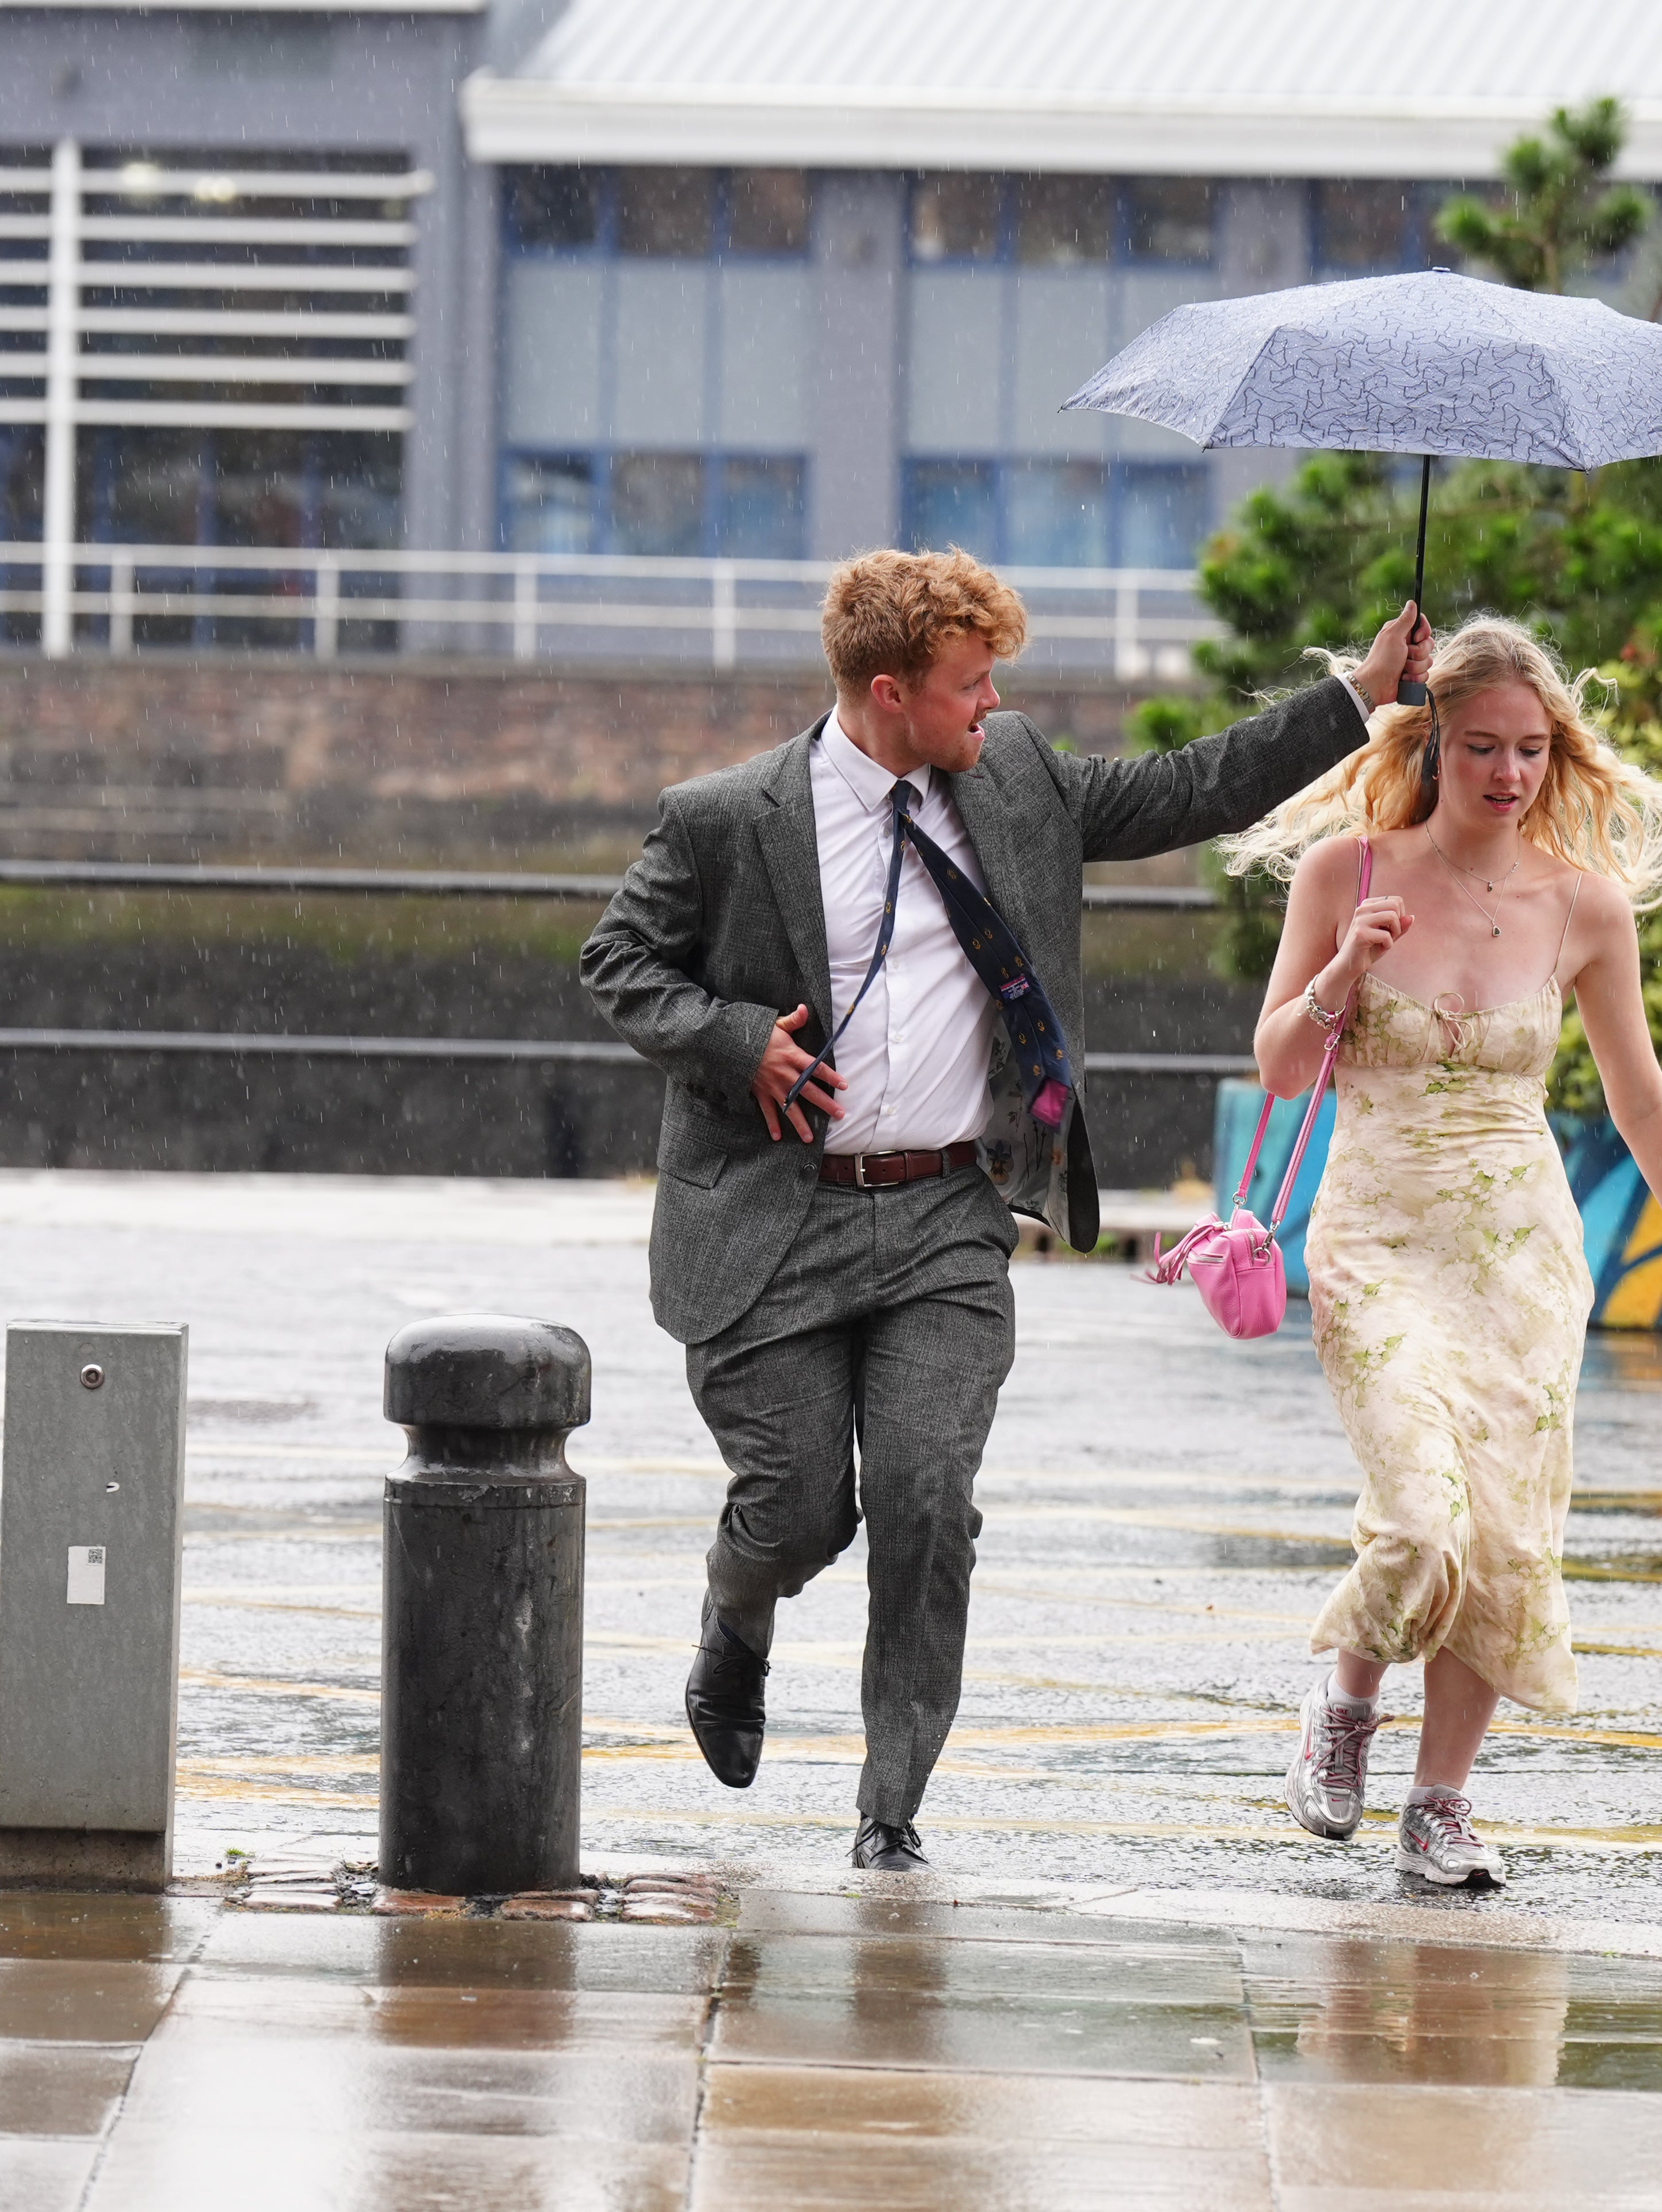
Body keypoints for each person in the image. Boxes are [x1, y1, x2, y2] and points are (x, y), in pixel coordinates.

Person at [582, 549, 1431, 1872]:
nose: (993, 704)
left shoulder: (1016, 775)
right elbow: (618, 964)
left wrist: (1356, 699)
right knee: (801, 1506)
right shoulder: (726, 818)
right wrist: (736, 1035)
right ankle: (738, 1607)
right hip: (775, 1218)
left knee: (927, 1493)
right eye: (970, 684)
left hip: (947, 1217)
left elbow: (1180, 791)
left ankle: (890, 1807)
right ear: (888, 689)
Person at [1231, 616, 1662, 1889]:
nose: (1509, 772)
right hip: (1378, 1230)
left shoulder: (1584, 903)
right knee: (1423, 1515)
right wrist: (1339, 977)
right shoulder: (1345, 873)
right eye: (1482, 745)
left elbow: (1641, 1094)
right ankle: (1348, 1700)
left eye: (1531, 749)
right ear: (1433, 742)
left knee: (1506, 1532)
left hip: (1524, 1253)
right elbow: (1274, 1065)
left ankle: (1442, 1801)